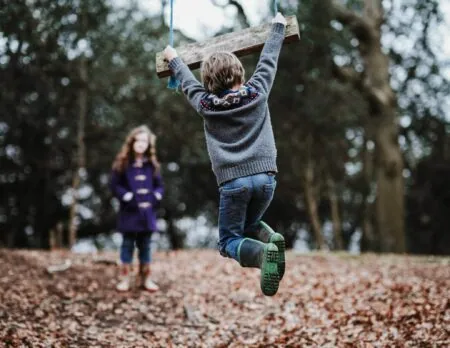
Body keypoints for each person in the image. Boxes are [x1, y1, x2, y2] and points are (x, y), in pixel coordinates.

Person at [163, 13, 287, 296]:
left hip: (234, 183)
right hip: (266, 179)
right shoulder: (258, 91)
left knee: (228, 241)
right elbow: (269, 58)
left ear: (209, 82)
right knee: (250, 225)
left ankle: (262, 255)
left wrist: (173, 58)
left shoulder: (206, 104)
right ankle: (272, 240)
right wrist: (278, 26)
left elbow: (185, 80)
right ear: (240, 73)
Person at [110, 125, 164, 292]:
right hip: (129, 213)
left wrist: (156, 196)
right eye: (138, 140)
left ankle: (145, 279)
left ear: (149, 145)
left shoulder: (152, 165)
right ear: (132, 142)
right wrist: (127, 197)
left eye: (145, 141)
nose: (141, 144)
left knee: (146, 246)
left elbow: (159, 186)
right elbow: (114, 185)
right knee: (127, 245)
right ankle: (125, 279)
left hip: (147, 214)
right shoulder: (122, 163)